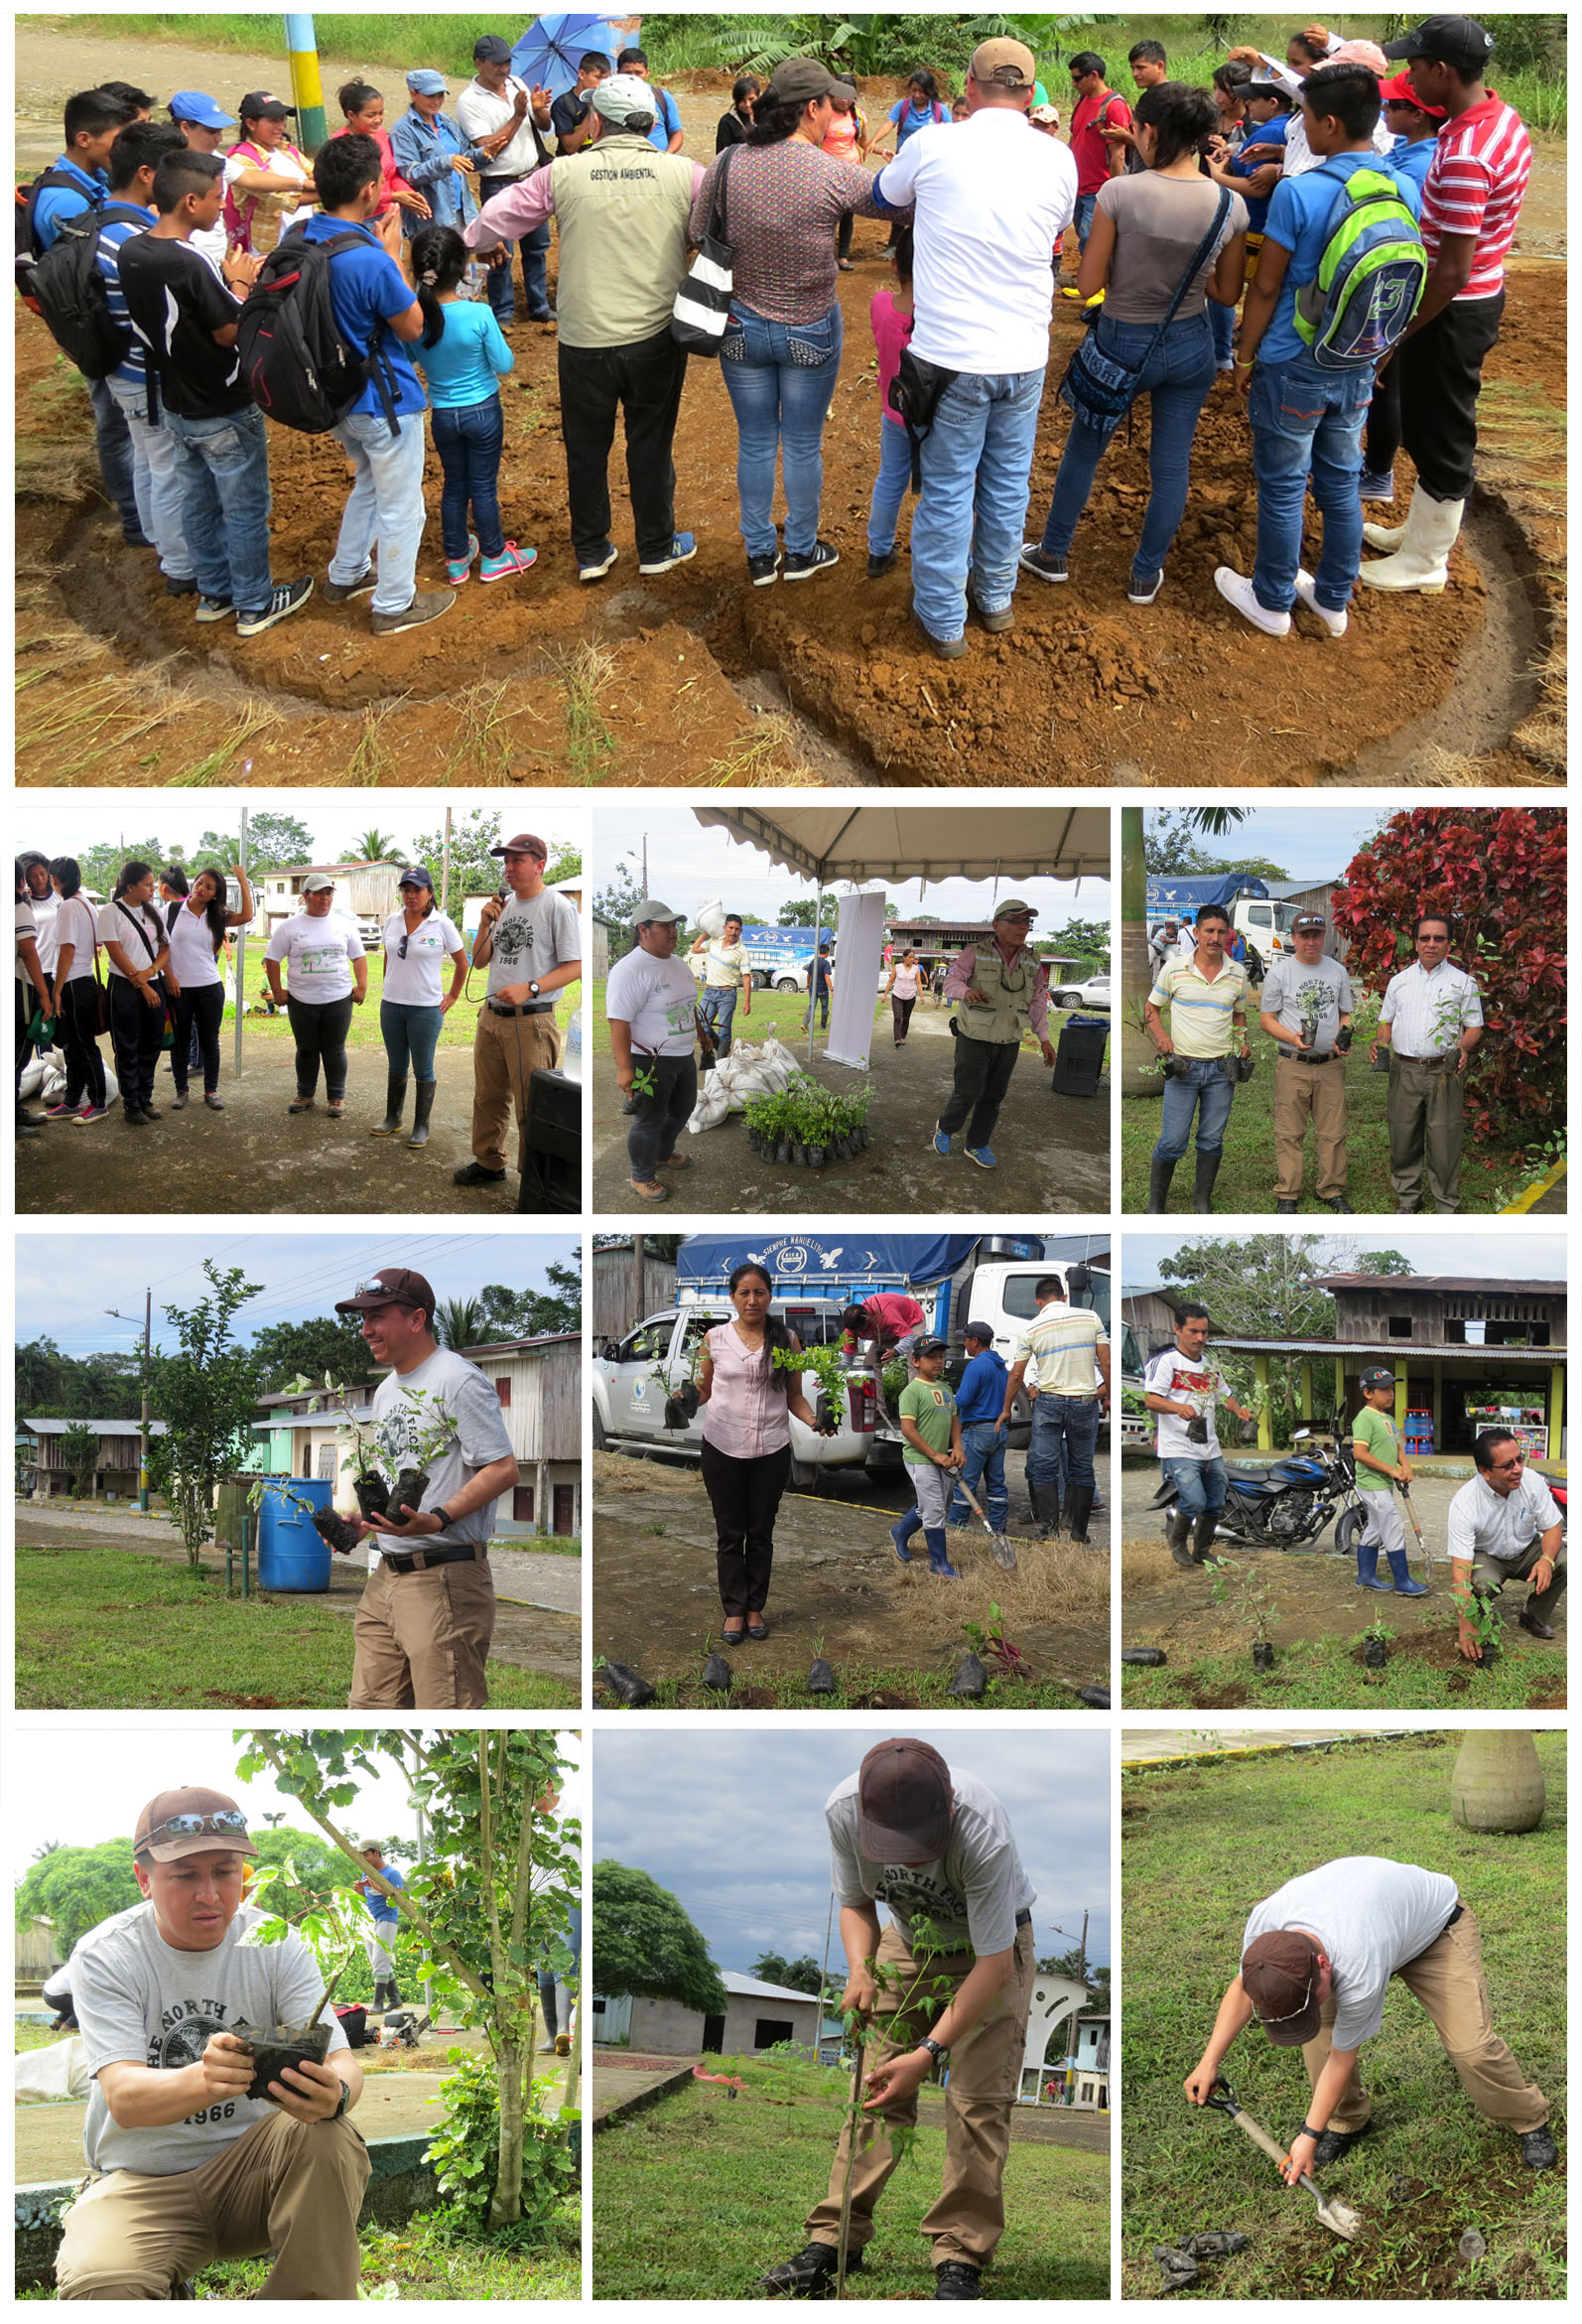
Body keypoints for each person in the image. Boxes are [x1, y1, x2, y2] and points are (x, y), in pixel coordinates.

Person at [51, 1785, 368, 2300]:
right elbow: (126, 2100)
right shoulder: (106, 1955)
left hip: (257, 2173)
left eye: (224, 1872)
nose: (210, 1894)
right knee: (103, 2287)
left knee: (327, 2131)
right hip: (142, 2184)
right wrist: (205, 2077)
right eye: (185, 1875)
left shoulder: (277, 1944)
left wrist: (339, 2094)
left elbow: (343, 2063)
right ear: (144, 1879)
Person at [761, 1738, 1038, 2300]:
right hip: (907, 1943)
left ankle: (960, 2252)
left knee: (977, 2104)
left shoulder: (984, 1832)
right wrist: (861, 1969)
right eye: (894, 1844)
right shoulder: (843, 1810)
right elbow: (856, 1901)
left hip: (991, 1951)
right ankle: (835, 2237)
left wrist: (929, 2054)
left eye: (920, 1844)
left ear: (949, 1808)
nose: (908, 1857)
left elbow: (993, 1963)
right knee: (874, 2092)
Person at [871, 41, 1078, 657]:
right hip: (1023, 353)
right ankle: (993, 599)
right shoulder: (1058, 158)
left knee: (948, 486)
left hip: (950, 357)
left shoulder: (933, 142)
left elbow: (887, 195)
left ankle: (942, 619)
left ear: (969, 84)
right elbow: (1057, 225)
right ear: (1031, 92)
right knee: (1009, 482)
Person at [1185, 1855, 1557, 2183]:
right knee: (1317, 2034)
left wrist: (1307, 2135)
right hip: (1376, 1923)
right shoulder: (1266, 1931)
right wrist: (1208, 2062)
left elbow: (1343, 2056)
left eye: (1312, 1996)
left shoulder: (1358, 1959)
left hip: (1437, 1930)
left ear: (1322, 1964)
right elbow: (1241, 1988)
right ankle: (1347, 2120)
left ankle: (1529, 2118)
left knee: (1472, 2047)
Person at [466, 72, 699, 584]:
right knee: (651, 443)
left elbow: (498, 215)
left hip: (584, 340)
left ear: (596, 121)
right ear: (653, 123)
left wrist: (473, 241)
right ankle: (657, 545)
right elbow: (720, 224)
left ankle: (592, 550)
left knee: (586, 448)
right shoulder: (686, 173)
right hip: (655, 337)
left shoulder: (564, 173)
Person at [1217, 65, 1421, 640]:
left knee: (1283, 484)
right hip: (1357, 357)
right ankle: (1334, 600)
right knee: (1339, 480)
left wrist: (1247, 355)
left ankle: (1273, 599)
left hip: (1293, 360)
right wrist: (1380, 354)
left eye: (1305, 118)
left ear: (1329, 124)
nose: (1301, 127)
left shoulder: (1299, 192)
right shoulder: (1401, 187)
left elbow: (1265, 287)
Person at [1020, 84, 1247, 605]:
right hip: (1191, 344)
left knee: (1084, 449)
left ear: (1148, 131)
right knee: (1171, 465)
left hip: (1122, 341)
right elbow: (1227, 292)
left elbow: (1091, 278)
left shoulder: (1120, 193)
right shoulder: (1229, 204)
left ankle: (1053, 553)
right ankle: (1145, 575)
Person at [693, 58, 889, 588]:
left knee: (755, 442)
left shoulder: (728, 163)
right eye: (832, 104)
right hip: (808, 328)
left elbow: (697, 231)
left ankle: (760, 554)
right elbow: (899, 205)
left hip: (739, 329)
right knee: (802, 445)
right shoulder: (832, 174)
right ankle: (801, 550)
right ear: (811, 109)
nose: (836, 113)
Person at [1361, 16, 1530, 594]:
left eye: (1415, 66)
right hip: (1476, 291)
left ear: (1443, 71)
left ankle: (1427, 560)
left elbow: (1452, 268)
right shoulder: (1499, 121)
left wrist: (1402, 331)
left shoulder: (1464, 155)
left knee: (1441, 429)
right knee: (1431, 420)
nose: (1408, 77)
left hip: (1453, 305)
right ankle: (1417, 534)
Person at [118, 148, 315, 638]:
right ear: (189, 201)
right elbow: (229, 331)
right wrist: (241, 284)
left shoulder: (133, 250)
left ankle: (214, 593)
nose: (218, 206)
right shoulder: (188, 261)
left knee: (198, 499)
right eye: (214, 198)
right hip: (223, 402)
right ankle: (253, 602)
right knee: (245, 505)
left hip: (176, 398)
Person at [331, 1268, 520, 1709]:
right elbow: (400, 1477)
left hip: (444, 1578)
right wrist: (367, 1524)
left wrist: (438, 1519)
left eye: (377, 1317)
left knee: (447, 1714)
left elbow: (503, 1468)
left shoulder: (456, 1379)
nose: (366, 1330)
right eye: (363, 1319)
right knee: (370, 1710)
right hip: (386, 1577)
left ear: (416, 1320)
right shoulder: (386, 1392)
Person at [303, 133, 455, 638]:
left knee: (367, 481)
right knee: (402, 502)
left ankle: (346, 573)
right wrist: (392, 257)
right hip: (383, 398)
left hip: (335, 392)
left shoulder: (302, 239)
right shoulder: (369, 259)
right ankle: (394, 603)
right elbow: (412, 327)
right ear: (370, 191)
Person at [25, 87, 144, 545]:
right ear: (85, 138)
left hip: (102, 324)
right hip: (97, 329)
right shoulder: (65, 203)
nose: (124, 150)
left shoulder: (84, 184)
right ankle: (135, 521)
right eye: (118, 139)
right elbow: (79, 280)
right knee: (115, 423)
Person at [696, 1261, 828, 1643]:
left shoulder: (787, 1339)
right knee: (729, 1533)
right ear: (733, 1297)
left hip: (771, 1449)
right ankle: (733, 1610)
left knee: (761, 1532)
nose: (752, 1300)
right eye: (744, 1293)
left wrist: (815, 1421)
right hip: (722, 1447)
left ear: (769, 1295)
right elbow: (702, 1390)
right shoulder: (715, 1339)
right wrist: (684, 1398)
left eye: (759, 1292)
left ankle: (755, 1607)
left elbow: (794, 1396)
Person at [94, 121, 195, 600]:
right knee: (169, 466)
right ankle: (180, 565)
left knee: (149, 458)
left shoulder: (102, 222)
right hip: (146, 373)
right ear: (147, 174)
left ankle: (157, 542)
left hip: (121, 368)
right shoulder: (134, 242)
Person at [410, 222, 536, 587]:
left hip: (444, 416)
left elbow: (408, 355)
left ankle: (456, 557)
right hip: (482, 412)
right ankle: (495, 555)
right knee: (483, 486)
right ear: (464, 267)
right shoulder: (479, 315)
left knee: (454, 485)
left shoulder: (417, 320)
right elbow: (504, 364)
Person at [455, 831, 581, 1192]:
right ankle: (489, 1161)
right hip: (492, 1016)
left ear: (539, 865)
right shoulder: (504, 905)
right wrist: (483, 925)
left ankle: (535, 1179)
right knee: (488, 1096)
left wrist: (532, 987)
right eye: (506, 861)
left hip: (531, 1021)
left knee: (533, 1105)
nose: (509, 868)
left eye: (517, 861)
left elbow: (576, 965)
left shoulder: (556, 906)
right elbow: (479, 963)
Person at [1357, 71, 1445, 499]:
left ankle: (1378, 472)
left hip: (1400, 280)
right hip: (1393, 276)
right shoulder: (1409, 149)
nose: (1385, 112)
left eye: (1392, 106)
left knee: (1387, 379)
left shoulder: (1421, 163)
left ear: (1419, 115)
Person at [1372, 912, 1482, 1213]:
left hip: (1444, 1071)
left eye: (1439, 938)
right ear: (1415, 943)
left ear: (1449, 944)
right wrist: (1381, 1042)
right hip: (1404, 1069)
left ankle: (1446, 1203)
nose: (1431, 944)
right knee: (1403, 1135)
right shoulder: (1399, 982)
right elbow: (1386, 1022)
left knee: (1444, 1140)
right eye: (1425, 938)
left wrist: (1463, 1048)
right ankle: (1409, 1200)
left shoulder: (1463, 983)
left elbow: (1474, 1027)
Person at [933, 898, 1055, 1170]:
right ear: (996, 925)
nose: (1022, 927)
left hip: (1009, 1037)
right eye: (1016, 920)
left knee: (994, 1095)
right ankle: (946, 1127)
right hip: (974, 1034)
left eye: (1027, 922)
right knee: (968, 1090)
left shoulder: (1033, 961)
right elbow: (951, 982)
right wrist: (966, 992)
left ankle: (976, 1144)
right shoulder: (975, 952)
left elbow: (1037, 1001)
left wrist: (1044, 1038)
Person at [1144, 902, 1250, 1213]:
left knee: (1212, 1140)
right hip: (1183, 1069)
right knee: (1173, 1141)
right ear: (1197, 932)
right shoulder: (1174, 968)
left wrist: (1241, 1042)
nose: (1215, 937)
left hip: (1221, 1070)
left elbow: (1240, 1016)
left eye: (1221, 931)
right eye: (1209, 931)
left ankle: (1201, 1200)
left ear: (1228, 935)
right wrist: (1162, 1038)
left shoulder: (1237, 973)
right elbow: (1151, 1009)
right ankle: (1156, 1203)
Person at [997, 1277, 1110, 1542]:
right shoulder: (1090, 1317)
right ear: (1064, 1298)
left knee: (1044, 1466)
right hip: (1084, 1401)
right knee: (1082, 1466)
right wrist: (1109, 1397)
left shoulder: (1031, 1328)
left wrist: (1005, 1409)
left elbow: (1016, 1375)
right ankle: (1079, 1534)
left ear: (1039, 1302)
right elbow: (1106, 1360)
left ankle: (1049, 1530)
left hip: (1049, 1402)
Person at [455, 35, 556, 328]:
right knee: (500, 252)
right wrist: (518, 114)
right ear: (479, 63)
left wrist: (537, 110)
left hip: (531, 177)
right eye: (498, 64)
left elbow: (544, 127)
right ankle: (503, 313)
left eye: (508, 62)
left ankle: (539, 306)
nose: (504, 69)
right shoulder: (469, 101)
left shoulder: (518, 84)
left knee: (537, 247)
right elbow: (486, 146)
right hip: (499, 182)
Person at [1144, 1304, 1255, 1568]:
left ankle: (1202, 1550)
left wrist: (1239, 1410)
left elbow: (1224, 1395)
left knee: (1216, 1503)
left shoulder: (1209, 1365)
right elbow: (1151, 1400)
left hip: (1210, 1448)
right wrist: (1177, 1407)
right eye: (1193, 1331)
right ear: (1177, 1329)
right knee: (1194, 1500)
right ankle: (1178, 1542)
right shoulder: (1167, 1362)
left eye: (1204, 1333)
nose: (1200, 1338)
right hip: (1178, 1446)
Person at [1258, 911, 1355, 1214]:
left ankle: (1331, 1189)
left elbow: (1345, 1013)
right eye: (1304, 936)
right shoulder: (1280, 973)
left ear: (1323, 936)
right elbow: (1266, 1019)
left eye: (1316, 935)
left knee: (1333, 1131)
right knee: (1289, 1131)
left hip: (1329, 1065)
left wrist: (1343, 1037)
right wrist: (1291, 1037)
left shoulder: (1337, 971)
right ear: (1294, 938)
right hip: (1293, 1063)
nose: (1310, 941)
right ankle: (1288, 1192)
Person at [605, 899, 700, 1203]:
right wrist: (625, 1068)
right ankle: (641, 1175)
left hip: (683, 1055)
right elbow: (618, 1021)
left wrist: (703, 1037)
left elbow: (688, 1004)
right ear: (643, 930)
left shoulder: (677, 963)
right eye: (665, 926)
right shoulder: (630, 970)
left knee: (683, 1108)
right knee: (648, 1119)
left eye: (674, 925)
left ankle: (661, 1153)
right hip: (650, 1060)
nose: (673, 931)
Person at [370, 866, 465, 1151]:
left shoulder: (441, 924)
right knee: (396, 1064)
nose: (411, 896)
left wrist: (452, 995)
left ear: (429, 893)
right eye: (406, 890)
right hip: (392, 1005)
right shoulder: (392, 920)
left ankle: (421, 1126)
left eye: (417, 890)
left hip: (425, 1007)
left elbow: (462, 963)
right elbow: (389, 957)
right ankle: (392, 1118)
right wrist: (387, 986)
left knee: (423, 1068)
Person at [1448, 1427, 1565, 1656]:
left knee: (1566, 1560)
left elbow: (1552, 1527)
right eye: (1508, 1465)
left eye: (1519, 1459)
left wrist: (1547, 1559)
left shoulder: (1532, 1482)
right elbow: (1460, 1573)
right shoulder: (1465, 1503)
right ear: (1485, 1471)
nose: (1518, 1469)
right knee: (1479, 1585)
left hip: (1525, 1550)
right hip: (1488, 1556)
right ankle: (1479, 1624)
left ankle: (1534, 1615)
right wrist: (1464, 1624)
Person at [264, 873, 368, 1116]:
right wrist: (278, 991)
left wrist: (361, 986)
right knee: (306, 1049)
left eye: (328, 893)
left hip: (339, 999)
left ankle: (336, 1097)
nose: (324, 898)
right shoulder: (289, 927)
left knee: (334, 1050)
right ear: (306, 896)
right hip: (302, 1000)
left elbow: (359, 957)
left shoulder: (344, 924)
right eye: (318, 893)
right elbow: (272, 959)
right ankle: (306, 1094)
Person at [166, 864, 250, 1112]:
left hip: (209, 988)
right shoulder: (171, 910)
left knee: (209, 1041)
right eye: (200, 883)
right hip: (178, 989)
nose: (201, 889)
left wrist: (243, 880)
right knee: (180, 1042)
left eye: (209, 887)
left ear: (216, 893)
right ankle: (181, 1091)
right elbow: (159, 945)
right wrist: (167, 976)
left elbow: (246, 916)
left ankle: (211, 1091)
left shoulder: (218, 915)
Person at [97, 862, 172, 1129]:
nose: (153, 889)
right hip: (125, 986)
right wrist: (141, 983)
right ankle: (131, 1103)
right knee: (127, 1045)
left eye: (153, 884)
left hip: (153, 981)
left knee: (151, 1044)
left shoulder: (154, 912)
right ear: (130, 886)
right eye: (148, 884)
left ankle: (145, 1098)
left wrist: (150, 973)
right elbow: (115, 952)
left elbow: (165, 950)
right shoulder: (111, 912)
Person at [889, 1339, 967, 1578]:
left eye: (941, 1356)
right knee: (934, 1508)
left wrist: (957, 1447)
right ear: (915, 1361)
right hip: (920, 1459)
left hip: (943, 1459)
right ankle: (939, 1564)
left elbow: (953, 1420)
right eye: (931, 1357)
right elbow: (908, 1430)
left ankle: (900, 1532)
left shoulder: (944, 1389)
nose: (938, 1361)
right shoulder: (911, 1391)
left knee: (930, 1505)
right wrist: (934, 1454)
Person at [1350, 1366, 1428, 1595]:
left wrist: (1405, 1466)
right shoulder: (1364, 1418)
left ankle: (1365, 1577)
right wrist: (1392, 1471)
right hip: (1371, 1483)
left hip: (1382, 1483)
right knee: (1393, 1526)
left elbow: (1396, 1447)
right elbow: (1359, 1454)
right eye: (1384, 1390)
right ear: (1368, 1393)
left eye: (1391, 1389)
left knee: (1375, 1527)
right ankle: (1403, 1582)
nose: (1390, 1394)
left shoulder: (1389, 1419)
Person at [865, 224, 916, 580]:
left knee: (890, 479)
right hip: (936, 419)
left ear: (895, 266)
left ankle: (878, 552)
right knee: (943, 489)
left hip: (895, 412)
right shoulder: (939, 317)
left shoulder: (881, 305)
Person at [330, 81, 430, 260]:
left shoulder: (380, 134)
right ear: (351, 115)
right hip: (360, 220)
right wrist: (394, 197)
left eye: (381, 113)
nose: (378, 119)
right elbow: (351, 193)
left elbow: (391, 173)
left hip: (389, 214)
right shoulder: (341, 145)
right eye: (371, 115)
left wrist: (407, 193)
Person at [46, 858, 110, 1123]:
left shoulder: (68, 907)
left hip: (73, 982)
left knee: (83, 1046)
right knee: (73, 1047)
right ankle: (72, 1100)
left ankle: (98, 1103)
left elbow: (67, 950)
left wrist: (57, 990)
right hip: (83, 981)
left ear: (55, 879)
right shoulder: (86, 904)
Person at [387, 69, 486, 237]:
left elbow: (464, 158)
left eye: (440, 96)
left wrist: (485, 154)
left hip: (462, 210)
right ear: (413, 94)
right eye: (430, 96)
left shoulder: (446, 121)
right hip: (432, 218)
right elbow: (411, 174)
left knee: (461, 260)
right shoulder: (402, 130)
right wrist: (446, 162)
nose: (437, 101)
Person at [223, 92, 317, 254]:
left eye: (282, 119)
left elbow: (314, 173)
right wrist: (330, 192)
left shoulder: (287, 150)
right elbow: (281, 199)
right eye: (273, 120)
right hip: (270, 250)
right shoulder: (241, 160)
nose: (280, 126)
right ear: (251, 124)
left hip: (304, 242)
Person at [1064, 52, 1131, 270]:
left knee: (1093, 239)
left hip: (1099, 187)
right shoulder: (1082, 101)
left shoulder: (1113, 106)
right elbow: (1075, 139)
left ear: (1094, 75)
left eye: (1077, 78)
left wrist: (1114, 190)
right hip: (1080, 185)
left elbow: (1118, 153)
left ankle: (1101, 287)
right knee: (1084, 236)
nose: (1073, 84)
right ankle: (1091, 283)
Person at [947, 1321, 1010, 1537]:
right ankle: (998, 1530)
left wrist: (942, 1402)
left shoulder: (976, 1366)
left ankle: (956, 1531)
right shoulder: (1002, 1366)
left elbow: (962, 1400)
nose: (963, 1343)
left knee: (965, 1484)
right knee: (996, 1485)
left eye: (965, 1339)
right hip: (999, 1430)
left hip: (977, 1431)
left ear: (975, 1341)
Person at [167, 91, 238, 274]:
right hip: (187, 266)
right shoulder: (165, 166)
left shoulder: (213, 157)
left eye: (220, 132)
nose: (219, 139)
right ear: (185, 128)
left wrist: (303, 183)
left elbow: (252, 178)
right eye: (211, 131)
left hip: (217, 263)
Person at [15, 862, 53, 1138]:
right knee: (16, 1055)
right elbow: (29, 953)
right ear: (20, 881)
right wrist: (43, 994)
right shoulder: (18, 907)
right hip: (18, 989)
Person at [352, 1843, 407, 2011]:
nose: (364, 1859)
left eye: (366, 1855)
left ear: (376, 1853)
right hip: (370, 1921)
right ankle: (395, 1999)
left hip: (387, 1919)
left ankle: (378, 2003)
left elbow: (400, 1897)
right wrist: (360, 1890)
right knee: (377, 1962)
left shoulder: (392, 1873)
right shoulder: (366, 1873)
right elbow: (369, 1896)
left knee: (379, 1962)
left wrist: (376, 1886)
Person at [690, 913, 751, 1056]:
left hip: (727, 994)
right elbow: (695, 949)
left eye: (737, 929)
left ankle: (721, 1063)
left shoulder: (742, 951)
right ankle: (723, 1049)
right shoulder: (714, 941)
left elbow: (746, 977)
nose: (733, 932)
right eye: (730, 928)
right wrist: (707, 931)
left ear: (741, 931)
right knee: (701, 1025)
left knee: (724, 1029)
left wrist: (747, 1002)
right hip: (709, 992)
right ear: (724, 928)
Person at [824, 75, 869, 269]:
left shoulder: (857, 115)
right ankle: (824, 256)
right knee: (826, 214)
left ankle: (843, 255)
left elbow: (862, 141)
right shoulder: (823, 113)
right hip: (827, 171)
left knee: (848, 215)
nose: (844, 99)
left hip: (852, 170)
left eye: (848, 95)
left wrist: (880, 150)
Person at [616, 49, 684, 153]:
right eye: (628, 73)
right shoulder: (611, 101)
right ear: (618, 73)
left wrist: (665, 157)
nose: (633, 78)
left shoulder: (662, 97)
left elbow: (676, 134)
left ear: (647, 73)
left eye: (638, 73)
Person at [872, 69, 949, 156]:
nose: (917, 95)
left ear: (929, 91)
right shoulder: (902, 106)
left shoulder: (940, 110)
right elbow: (888, 124)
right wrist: (874, 141)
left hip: (929, 163)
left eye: (921, 91)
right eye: (914, 90)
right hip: (904, 160)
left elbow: (952, 133)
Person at [553, 52, 611, 155]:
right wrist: (592, 112)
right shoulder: (563, 104)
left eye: (606, 79)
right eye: (598, 77)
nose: (602, 83)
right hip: (573, 165)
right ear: (582, 74)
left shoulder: (609, 100)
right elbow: (570, 148)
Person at [841, 1293, 927, 1358]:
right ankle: (875, 1383)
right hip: (887, 1330)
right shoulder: (851, 1328)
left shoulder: (886, 1314)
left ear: (868, 1319)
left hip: (911, 1319)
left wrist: (895, 1351)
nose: (857, 1334)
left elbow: (909, 1337)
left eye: (860, 1330)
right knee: (870, 1364)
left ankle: (916, 1382)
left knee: (914, 1359)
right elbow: (848, 1355)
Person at [883, 946, 922, 1044]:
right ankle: (897, 1038)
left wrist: (921, 996)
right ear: (904, 957)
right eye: (910, 957)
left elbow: (918, 983)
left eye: (913, 957)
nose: (912, 959)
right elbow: (891, 981)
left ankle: (903, 1036)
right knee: (897, 1017)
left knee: (906, 1017)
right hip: (897, 995)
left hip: (910, 997)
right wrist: (885, 994)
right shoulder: (897, 967)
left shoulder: (916, 969)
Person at [717, 74, 759, 152]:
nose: (747, 104)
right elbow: (721, 155)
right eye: (742, 100)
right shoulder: (727, 122)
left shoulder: (767, 117)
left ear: (758, 97)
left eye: (751, 99)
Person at [802, 940, 834, 1032]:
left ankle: (804, 1024)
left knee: (811, 1006)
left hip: (813, 989)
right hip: (823, 989)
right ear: (827, 952)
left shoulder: (813, 962)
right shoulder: (826, 963)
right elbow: (826, 976)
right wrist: (831, 988)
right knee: (824, 1007)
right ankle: (823, 1026)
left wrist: (808, 983)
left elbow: (809, 975)